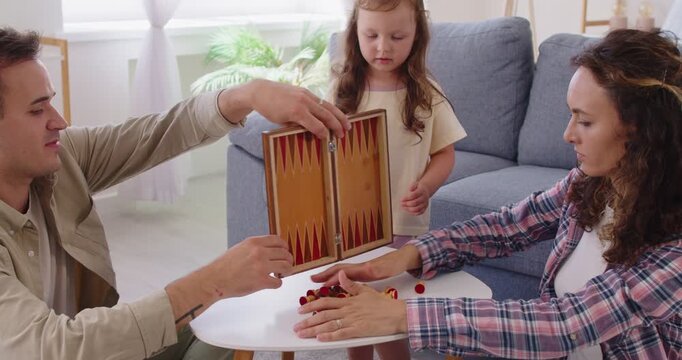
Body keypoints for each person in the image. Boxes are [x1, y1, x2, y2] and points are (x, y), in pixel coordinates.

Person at [294, 29, 682, 359]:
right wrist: (404, 257)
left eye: (585, 120)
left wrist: (402, 315)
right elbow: (507, 226)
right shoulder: (591, 183)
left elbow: (565, 323)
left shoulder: (674, 252)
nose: (568, 134)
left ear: (641, 130)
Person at [0, 26, 350, 359]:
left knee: (233, 317)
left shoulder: (62, 159)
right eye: (36, 109)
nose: (58, 120)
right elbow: (55, 346)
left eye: (50, 103)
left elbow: (157, 133)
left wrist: (248, 94)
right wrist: (211, 281)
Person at [332, 1, 466, 357]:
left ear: (417, 35)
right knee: (352, 317)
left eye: (397, 36)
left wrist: (426, 187)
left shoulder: (426, 92)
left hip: (402, 228)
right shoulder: (343, 90)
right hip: (349, 229)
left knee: (390, 320)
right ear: (355, 33)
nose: (383, 47)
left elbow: (445, 153)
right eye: (371, 35)